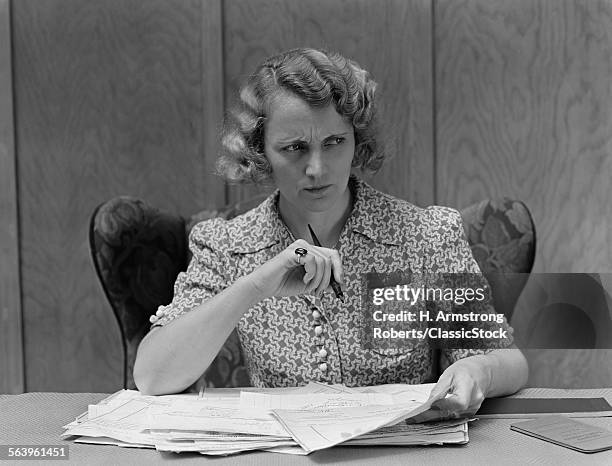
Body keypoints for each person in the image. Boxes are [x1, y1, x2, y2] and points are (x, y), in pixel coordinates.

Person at [133, 48, 528, 417]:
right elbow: (153, 377)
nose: (317, 169)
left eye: (335, 142)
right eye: (294, 148)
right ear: (260, 153)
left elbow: (510, 361)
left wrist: (480, 369)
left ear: (357, 141)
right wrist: (255, 286)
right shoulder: (226, 245)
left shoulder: (425, 236)